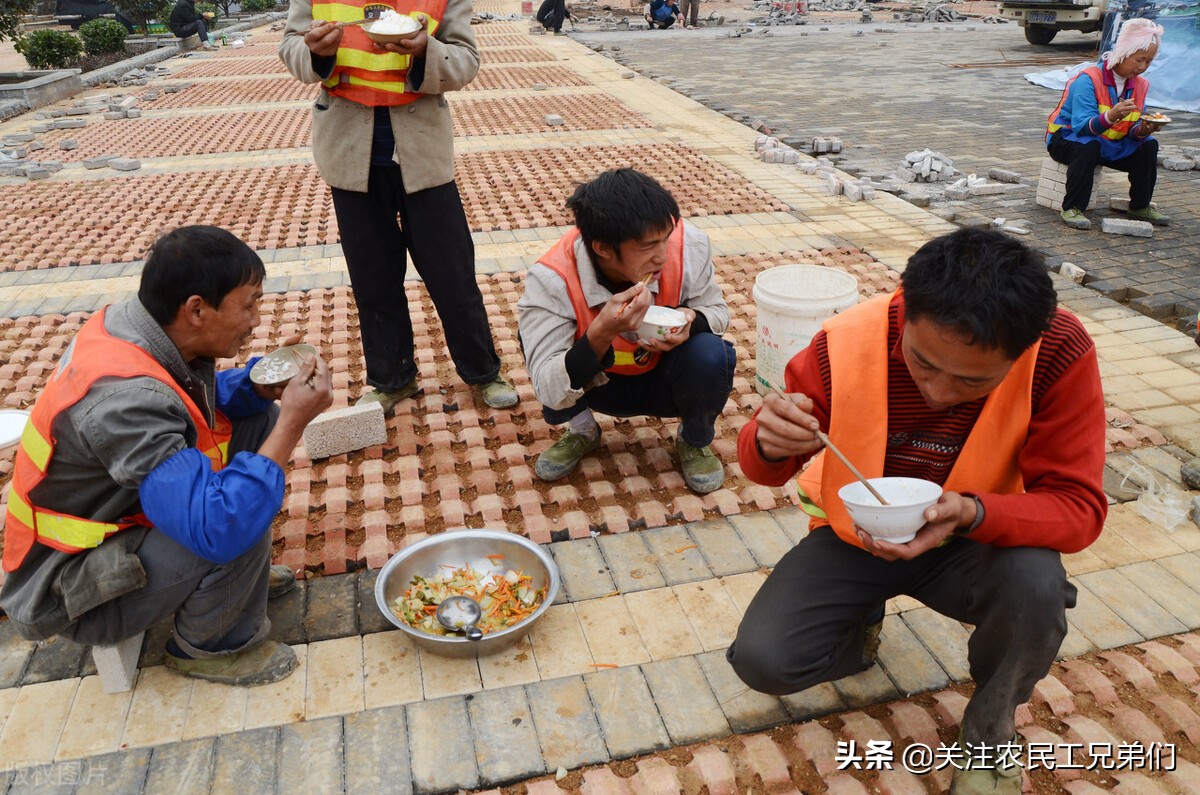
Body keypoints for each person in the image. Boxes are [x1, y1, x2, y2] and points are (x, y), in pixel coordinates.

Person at [728, 229, 1106, 794]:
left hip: (975, 543)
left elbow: (1079, 509)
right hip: (856, 538)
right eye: (923, 363)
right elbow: (763, 469)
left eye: (973, 381)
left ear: (1023, 348)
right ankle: (859, 632)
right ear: (905, 311)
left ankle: (989, 736)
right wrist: (767, 440)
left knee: (1036, 585)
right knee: (764, 661)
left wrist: (973, 513)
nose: (937, 391)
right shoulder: (845, 341)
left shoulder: (1056, 350)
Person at [0, 226, 333, 686]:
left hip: (113, 524)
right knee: (236, 520)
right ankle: (212, 646)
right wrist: (294, 422)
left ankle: (230, 586)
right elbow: (221, 522)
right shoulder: (126, 400)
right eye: (249, 303)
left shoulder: (137, 327)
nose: (256, 319)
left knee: (257, 421)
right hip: (70, 590)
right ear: (196, 309)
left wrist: (252, 387)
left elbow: (182, 404)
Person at [279, 0, 519, 415]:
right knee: (374, 278)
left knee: (452, 273)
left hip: (422, 152)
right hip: (349, 152)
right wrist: (316, 52)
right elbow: (290, 47)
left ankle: (483, 371)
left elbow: (465, 61)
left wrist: (426, 49)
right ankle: (393, 380)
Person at [518, 168, 735, 494]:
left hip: (665, 379)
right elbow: (549, 387)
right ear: (603, 248)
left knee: (711, 352)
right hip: (600, 388)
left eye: (666, 237)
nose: (662, 255)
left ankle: (694, 440)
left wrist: (689, 319)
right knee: (537, 341)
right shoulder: (551, 280)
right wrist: (601, 331)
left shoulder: (689, 247)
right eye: (648, 246)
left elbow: (718, 312)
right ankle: (582, 430)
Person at [1046, 18, 1168, 230]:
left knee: (1149, 144)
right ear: (1123, 52)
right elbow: (1082, 128)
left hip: (1108, 142)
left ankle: (1140, 205)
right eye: (1139, 59)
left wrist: (1143, 129)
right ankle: (1073, 207)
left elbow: (1132, 129)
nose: (1143, 67)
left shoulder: (1140, 85)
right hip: (1066, 138)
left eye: (1148, 61)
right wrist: (1111, 116)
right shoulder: (1088, 79)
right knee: (1088, 145)